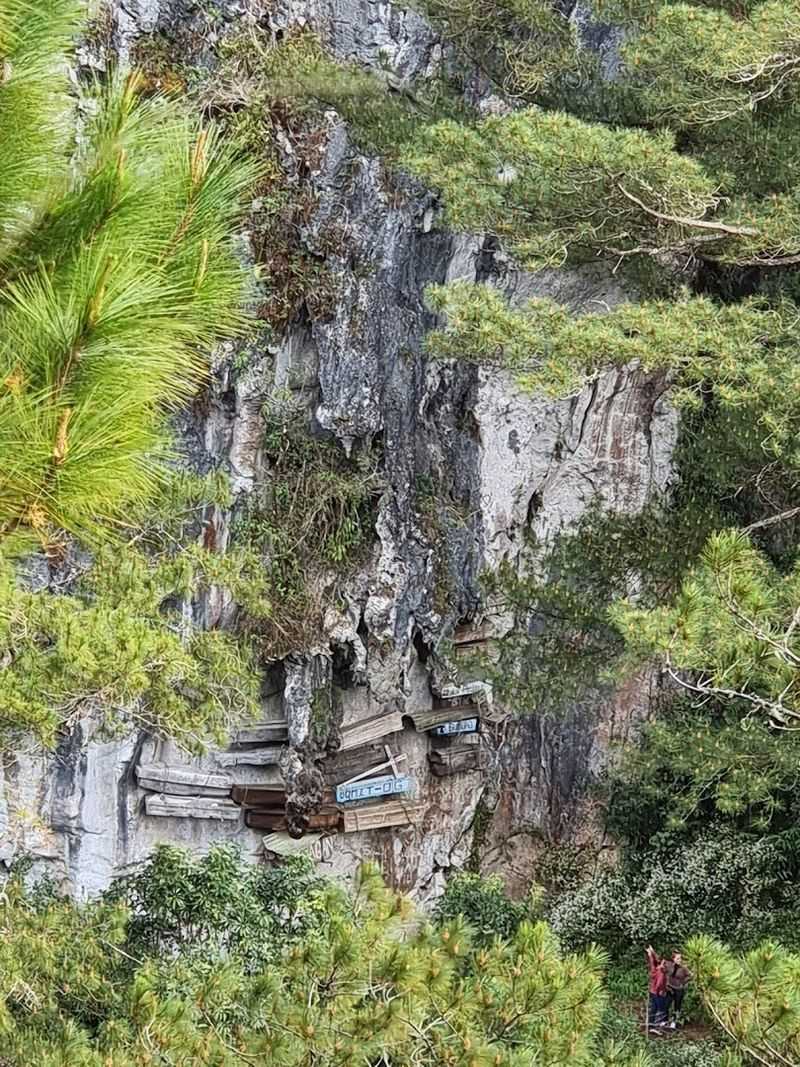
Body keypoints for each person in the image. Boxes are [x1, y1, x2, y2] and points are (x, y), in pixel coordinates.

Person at [664, 949, 692, 1027]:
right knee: (666, 1004)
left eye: (680, 958)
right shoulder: (670, 965)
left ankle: (674, 1021)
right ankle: (665, 1020)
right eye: (678, 958)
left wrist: (683, 982)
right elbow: (665, 971)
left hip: (679, 989)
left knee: (677, 1006)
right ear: (673, 959)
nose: (680, 960)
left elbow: (690, 975)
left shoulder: (683, 968)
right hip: (670, 988)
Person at [646, 945, 668, 1028]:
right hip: (658, 992)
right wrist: (661, 992)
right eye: (664, 963)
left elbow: (654, 960)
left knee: (653, 1008)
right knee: (661, 1009)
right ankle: (657, 1025)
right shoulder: (661, 972)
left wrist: (651, 953)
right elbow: (659, 983)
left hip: (652, 991)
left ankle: (651, 1025)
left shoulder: (654, 968)